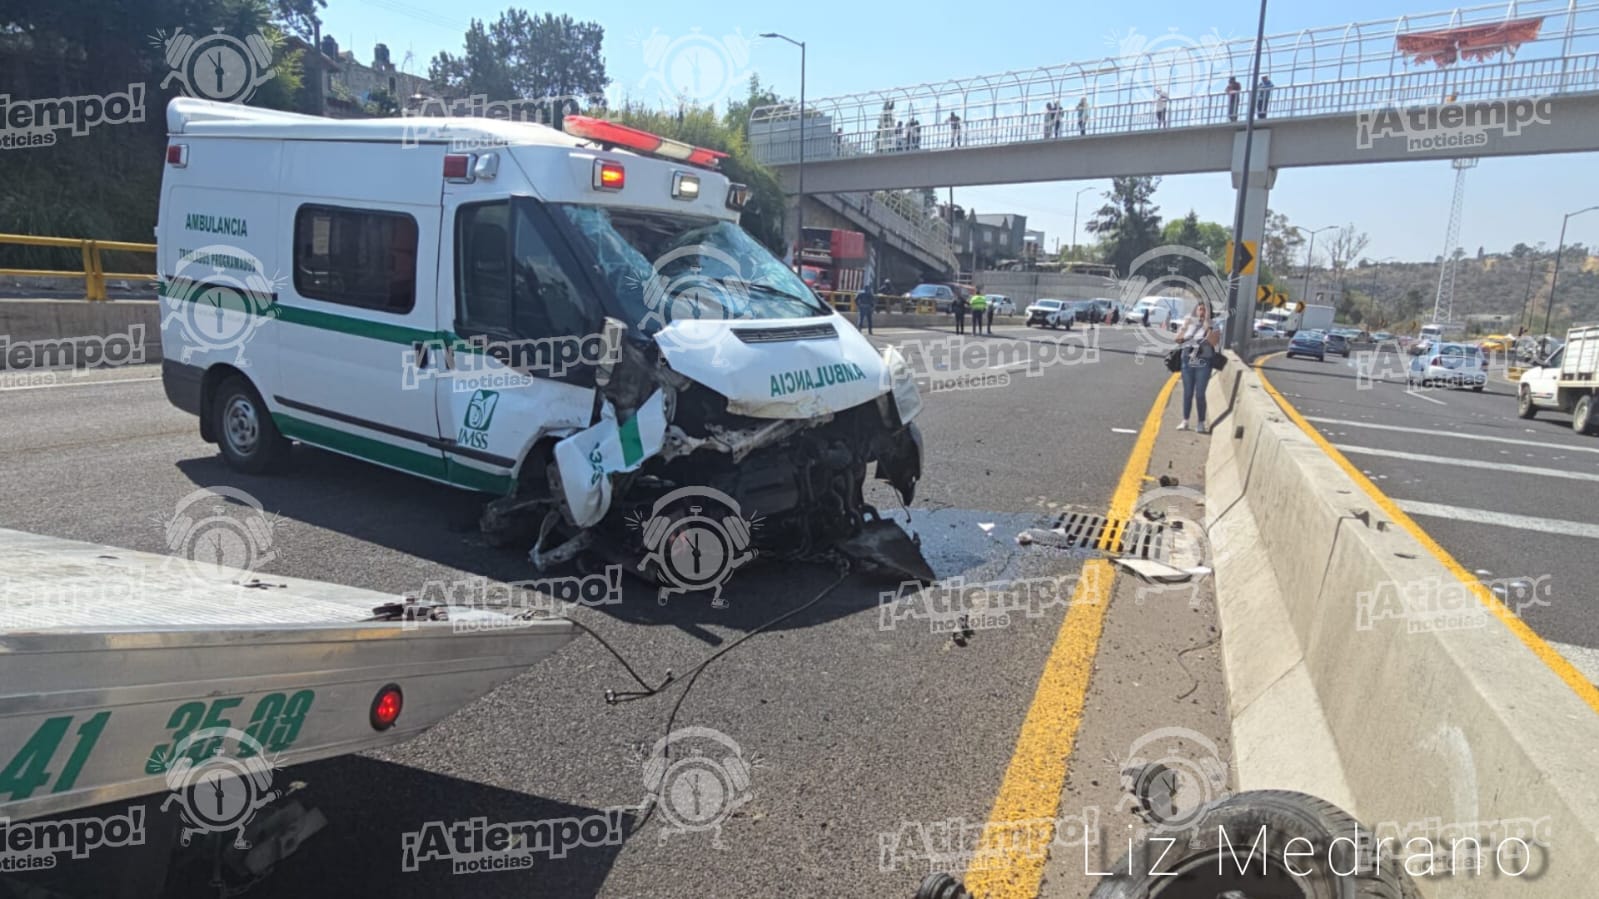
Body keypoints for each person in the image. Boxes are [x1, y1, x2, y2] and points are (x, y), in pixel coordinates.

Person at [1175, 304, 1222, 433]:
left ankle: (1201, 422)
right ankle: (1185, 420)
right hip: (1187, 360)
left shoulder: (1214, 325)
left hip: (1203, 362)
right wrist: (1184, 328)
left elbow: (1213, 342)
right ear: (1196, 310)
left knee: (1200, 393)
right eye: (1200, 309)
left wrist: (1207, 324)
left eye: (1205, 309)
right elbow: (1177, 339)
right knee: (1187, 392)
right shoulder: (1189, 322)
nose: (1202, 312)